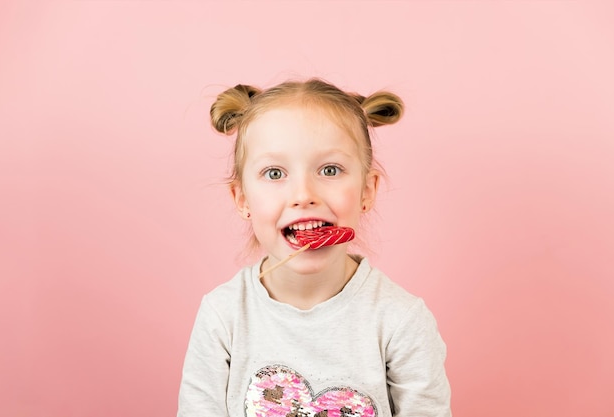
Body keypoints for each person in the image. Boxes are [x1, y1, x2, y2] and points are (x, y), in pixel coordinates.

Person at [177, 78, 452, 417]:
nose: (303, 195)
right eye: (275, 173)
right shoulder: (223, 316)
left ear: (367, 191)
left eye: (330, 170)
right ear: (242, 198)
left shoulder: (401, 321)